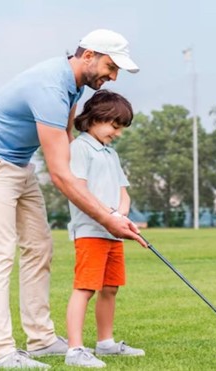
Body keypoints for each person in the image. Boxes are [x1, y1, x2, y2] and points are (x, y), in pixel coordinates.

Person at [0, 29, 147, 369]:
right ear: (88, 55)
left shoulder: (72, 84)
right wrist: (107, 219)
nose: (113, 76)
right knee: (0, 251)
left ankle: (42, 340)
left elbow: (65, 141)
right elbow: (60, 174)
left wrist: (101, 204)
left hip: (18, 163)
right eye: (111, 66)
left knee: (40, 247)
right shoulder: (50, 86)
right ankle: (1, 352)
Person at [64, 90, 145, 368]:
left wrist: (121, 214)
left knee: (110, 288)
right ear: (96, 118)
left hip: (113, 232)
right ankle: (74, 349)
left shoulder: (111, 153)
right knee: (85, 288)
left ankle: (105, 343)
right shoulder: (80, 148)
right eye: (115, 126)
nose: (118, 133)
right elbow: (79, 189)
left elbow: (124, 192)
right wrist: (108, 215)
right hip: (89, 232)